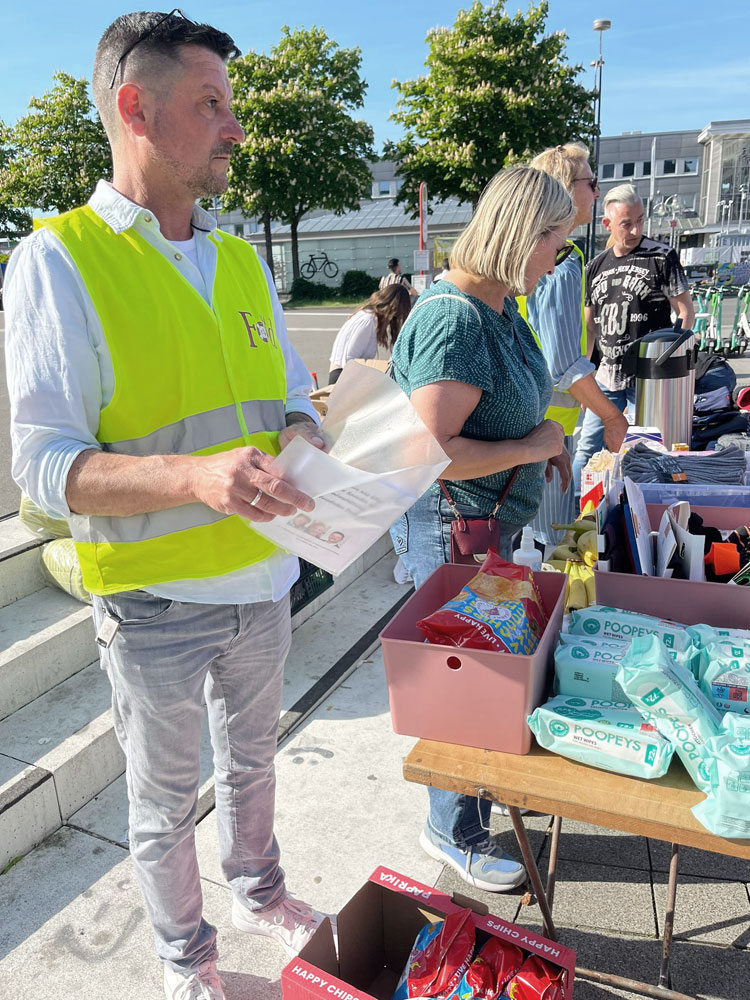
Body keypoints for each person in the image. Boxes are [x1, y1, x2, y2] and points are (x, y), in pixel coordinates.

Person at [5, 12, 329, 999]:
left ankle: (258, 887)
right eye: (211, 104)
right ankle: (187, 959)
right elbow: (43, 468)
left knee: (259, 760)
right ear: (133, 109)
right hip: (152, 604)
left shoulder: (239, 262)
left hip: (266, 582)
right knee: (159, 802)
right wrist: (194, 477)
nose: (235, 127)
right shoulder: (58, 262)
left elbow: (290, 399)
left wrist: (308, 442)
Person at [389, 166, 574, 892]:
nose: (557, 258)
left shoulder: (496, 306)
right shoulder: (455, 317)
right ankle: (451, 826)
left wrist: (543, 441)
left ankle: (466, 807)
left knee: (480, 672)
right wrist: (537, 447)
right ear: (519, 234)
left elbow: (512, 400)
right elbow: (428, 456)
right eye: (554, 241)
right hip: (451, 527)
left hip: (486, 525)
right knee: (459, 679)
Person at [519, 144, 628, 544]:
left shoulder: (560, 256)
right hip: (540, 427)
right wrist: (612, 416)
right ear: (564, 188)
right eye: (591, 182)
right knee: (550, 543)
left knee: (543, 538)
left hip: (539, 422)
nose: (597, 192)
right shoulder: (560, 259)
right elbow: (563, 363)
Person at [572, 184, 694, 489]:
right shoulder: (595, 266)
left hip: (649, 379)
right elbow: (590, 328)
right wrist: (585, 379)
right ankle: (573, 512)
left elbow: (685, 312)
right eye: (627, 223)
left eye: (640, 219)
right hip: (605, 376)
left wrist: (671, 365)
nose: (636, 229)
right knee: (587, 448)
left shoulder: (662, 256)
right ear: (607, 224)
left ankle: (651, 506)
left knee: (653, 450)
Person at [328, 283, 411, 383]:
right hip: (342, 378)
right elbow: (349, 359)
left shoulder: (367, 316)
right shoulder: (367, 320)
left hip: (345, 376)